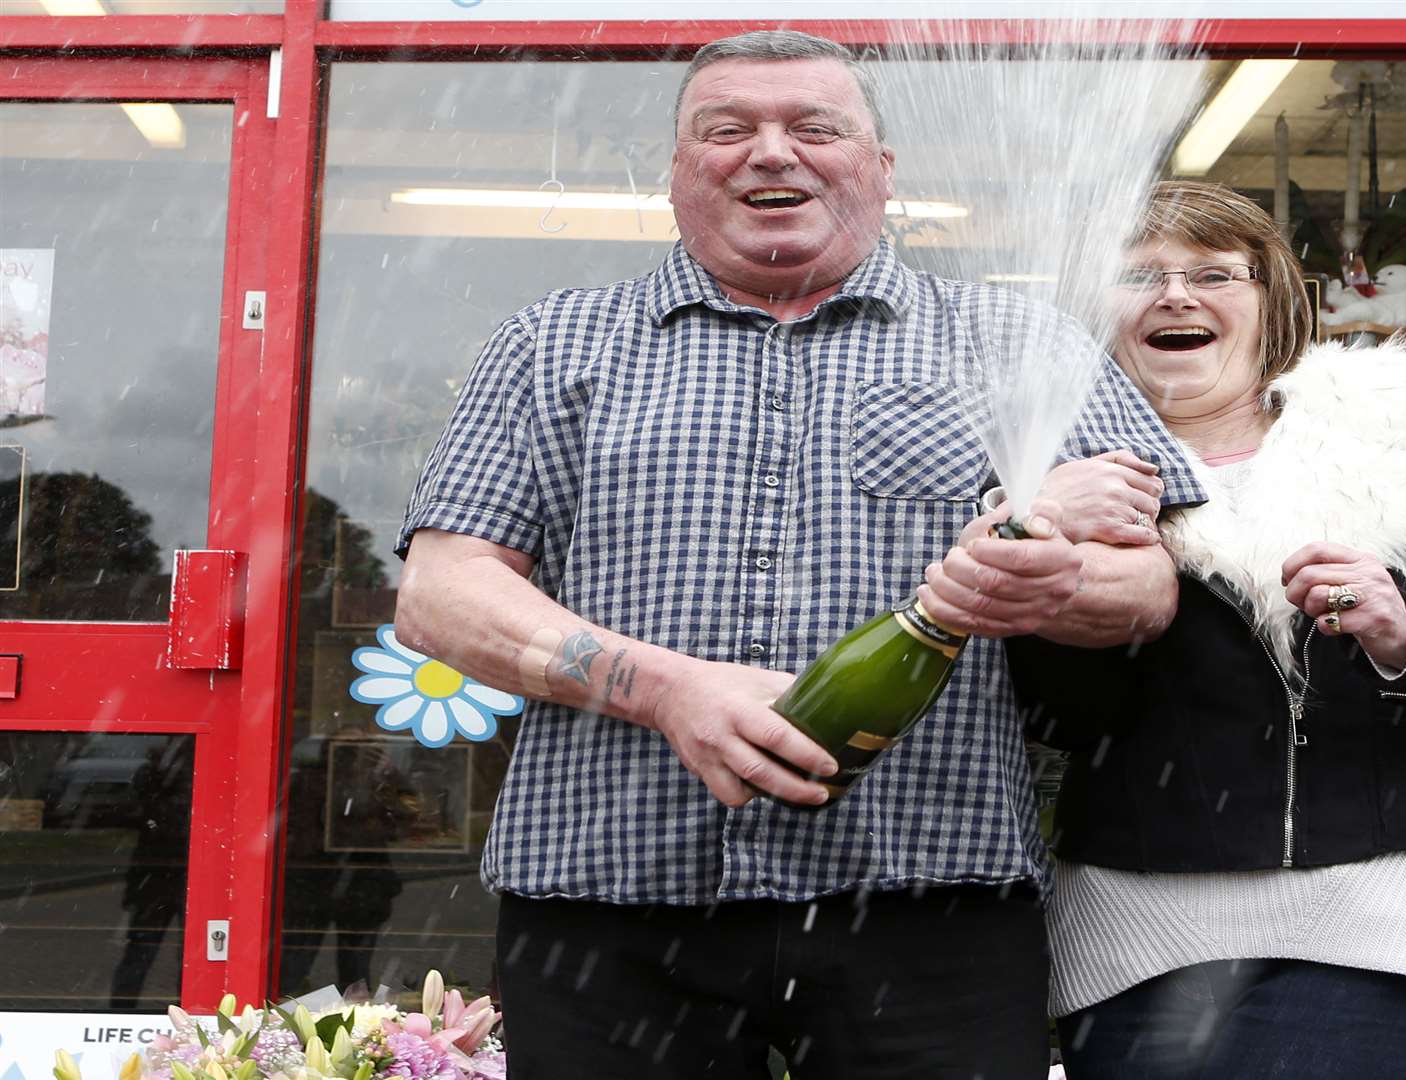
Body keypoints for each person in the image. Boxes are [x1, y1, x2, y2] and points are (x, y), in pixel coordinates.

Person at [391, 30, 1204, 1080]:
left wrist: (1065, 583)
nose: (771, 154)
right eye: (726, 131)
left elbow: (1151, 585)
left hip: (928, 903)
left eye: (815, 127)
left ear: (881, 167)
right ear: (675, 173)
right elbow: (440, 595)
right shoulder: (552, 346)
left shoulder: (1018, 342)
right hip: (609, 903)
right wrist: (664, 689)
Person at [1008, 181, 1406, 1079]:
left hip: (1385, 908)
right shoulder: (1045, 473)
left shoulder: (1403, 430)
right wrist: (1049, 545)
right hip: (1138, 918)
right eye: (1137, 274)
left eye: (1214, 272)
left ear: (1271, 301)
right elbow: (1046, 711)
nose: (1175, 295)